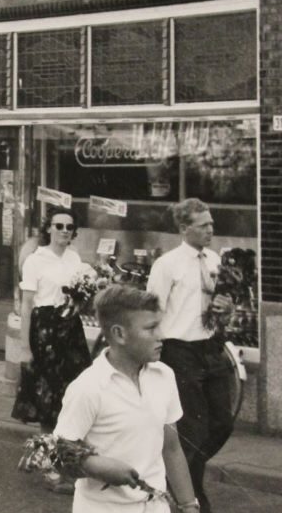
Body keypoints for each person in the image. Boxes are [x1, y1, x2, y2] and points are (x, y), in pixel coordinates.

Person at [54, 285, 199, 513]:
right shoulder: (89, 387)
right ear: (119, 334)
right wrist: (96, 466)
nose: (160, 336)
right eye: (150, 329)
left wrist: (189, 505)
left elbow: (171, 448)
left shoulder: (164, 376)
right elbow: (57, 453)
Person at [146, 198, 235, 513]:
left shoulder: (213, 260)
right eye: (204, 225)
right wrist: (153, 353)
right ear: (184, 229)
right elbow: (153, 311)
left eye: (211, 223)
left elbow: (221, 307)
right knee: (193, 430)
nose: (211, 229)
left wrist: (227, 310)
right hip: (180, 351)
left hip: (211, 348)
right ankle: (192, 497)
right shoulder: (167, 265)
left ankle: (179, 476)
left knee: (222, 422)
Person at [12, 206, 92, 493]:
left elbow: (79, 295)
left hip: (70, 330)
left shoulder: (75, 259)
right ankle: (49, 466)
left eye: (69, 227)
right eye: (58, 226)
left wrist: (79, 303)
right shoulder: (36, 260)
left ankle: (68, 465)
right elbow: (27, 303)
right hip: (45, 331)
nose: (64, 232)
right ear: (49, 229)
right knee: (48, 402)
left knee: (73, 399)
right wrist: (25, 348)